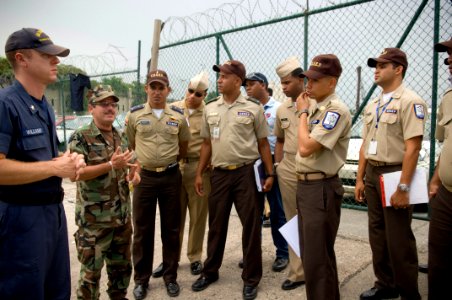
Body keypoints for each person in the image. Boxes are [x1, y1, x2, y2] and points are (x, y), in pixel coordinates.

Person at [0, 28, 85, 299]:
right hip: (21, 220)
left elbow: (46, 159)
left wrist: (69, 160)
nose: (56, 60)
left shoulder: (43, 105)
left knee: (57, 291)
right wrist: (54, 168)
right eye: (47, 55)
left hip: (52, 214)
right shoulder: (5, 104)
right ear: (21, 59)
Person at [191, 60, 274, 300]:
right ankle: (210, 272)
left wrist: (270, 174)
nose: (219, 80)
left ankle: (251, 278)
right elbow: (206, 144)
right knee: (216, 225)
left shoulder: (254, 108)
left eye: (224, 76)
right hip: (219, 174)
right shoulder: (210, 108)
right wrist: (199, 172)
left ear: (238, 81)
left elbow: (262, 144)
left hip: (246, 174)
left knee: (250, 226)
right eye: (219, 76)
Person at [355, 48, 427, 300]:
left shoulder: (410, 101)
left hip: (396, 173)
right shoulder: (374, 104)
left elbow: (413, 147)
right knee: (377, 233)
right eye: (375, 65)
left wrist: (404, 187)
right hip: (374, 172)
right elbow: (365, 144)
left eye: (382, 65)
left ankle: (409, 292)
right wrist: (360, 178)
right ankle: (385, 284)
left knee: (399, 239)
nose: (376, 69)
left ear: (398, 69)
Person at [69, 85, 141, 299]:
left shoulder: (120, 136)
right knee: (90, 278)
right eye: (103, 104)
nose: (110, 108)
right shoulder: (81, 137)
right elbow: (75, 174)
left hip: (121, 221)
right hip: (94, 224)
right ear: (91, 108)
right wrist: (110, 165)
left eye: (113, 104)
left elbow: (133, 163)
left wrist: (134, 174)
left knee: (121, 272)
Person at [126, 69, 190, 299]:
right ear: (146, 89)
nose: (156, 91)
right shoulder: (134, 116)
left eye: (161, 87)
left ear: (168, 90)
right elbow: (132, 144)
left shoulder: (178, 116)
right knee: (142, 230)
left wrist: (169, 162)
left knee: (171, 229)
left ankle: (170, 277)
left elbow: (183, 147)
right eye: (152, 87)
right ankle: (141, 280)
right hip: (145, 178)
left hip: (171, 177)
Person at [296, 54, 351, 300]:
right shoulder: (316, 107)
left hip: (321, 188)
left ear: (331, 83)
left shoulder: (335, 110)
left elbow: (306, 147)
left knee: (317, 259)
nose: (309, 85)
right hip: (306, 187)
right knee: (312, 255)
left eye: (315, 80)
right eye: (308, 79)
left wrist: (302, 114)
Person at [152, 71, 211, 277]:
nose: (192, 96)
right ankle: (171, 258)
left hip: (198, 167)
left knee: (198, 215)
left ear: (205, 95)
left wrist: (204, 168)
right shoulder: (173, 108)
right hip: (175, 167)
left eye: (198, 94)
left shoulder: (209, 113)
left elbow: (210, 143)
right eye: (190, 91)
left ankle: (195, 257)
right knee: (173, 217)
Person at [244, 72, 289, 272]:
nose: (247, 88)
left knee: (278, 210)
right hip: (252, 162)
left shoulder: (278, 108)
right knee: (253, 212)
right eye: (245, 85)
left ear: (263, 85)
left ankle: (283, 253)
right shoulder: (246, 108)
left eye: (251, 84)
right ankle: (252, 256)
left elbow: (284, 138)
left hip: (272, 160)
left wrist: (277, 165)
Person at [273, 56, 306, 290]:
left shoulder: (316, 104)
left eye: (287, 82)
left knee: (314, 222)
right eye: (281, 83)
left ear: (301, 79)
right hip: (288, 168)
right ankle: (298, 272)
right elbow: (280, 140)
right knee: (292, 220)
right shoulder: (282, 108)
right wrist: (278, 166)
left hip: (312, 168)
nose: (283, 87)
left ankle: (317, 267)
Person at [428, 38, 452, 300]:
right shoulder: (448, 98)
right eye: (447, 55)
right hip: (446, 192)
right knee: (439, 263)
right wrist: (435, 178)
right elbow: (446, 144)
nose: (449, 61)